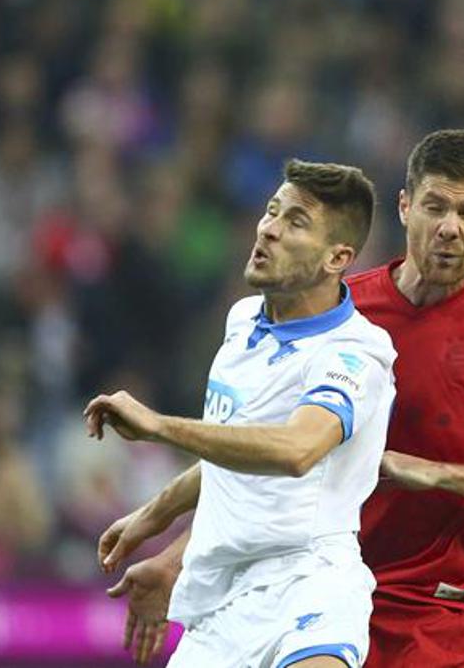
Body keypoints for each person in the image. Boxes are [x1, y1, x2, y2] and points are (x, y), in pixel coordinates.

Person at [103, 130, 464, 668]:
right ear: (406, 208)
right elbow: (262, 453)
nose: (450, 228)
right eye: (435, 206)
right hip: (304, 580)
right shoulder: (336, 311)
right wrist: (176, 550)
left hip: (430, 609)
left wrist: (439, 473)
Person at [83, 159, 396, 668]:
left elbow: (296, 450)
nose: (269, 228)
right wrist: (160, 523)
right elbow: (240, 456)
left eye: (295, 222)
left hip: (310, 590)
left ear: (337, 257)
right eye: (272, 212)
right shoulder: (242, 322)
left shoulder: (356, 352)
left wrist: (160, 427)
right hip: (222, 611)